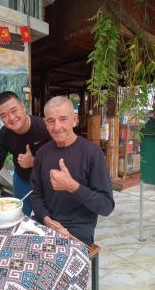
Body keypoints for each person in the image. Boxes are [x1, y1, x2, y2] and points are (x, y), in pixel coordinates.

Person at [30, 96, 115, 245]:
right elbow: (35, 194)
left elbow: (106, 206)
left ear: (74, 119)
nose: (57, 127)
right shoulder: (42, 153)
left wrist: (72, 186)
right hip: (46, 222)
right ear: (45, 124)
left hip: (77, 229)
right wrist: (46, 219)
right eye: (51, 121)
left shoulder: (92, 153)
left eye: (63, 119)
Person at [0, 91, 51, 216]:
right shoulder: (2, 135)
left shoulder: (44, 127)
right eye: (4, 115)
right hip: (22, 180)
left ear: (23, 107)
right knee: (19, 215)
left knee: (47, 218)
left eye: (14, 110)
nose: (11, 117)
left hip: (47, 181)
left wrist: (34, 162)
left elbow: (62, 159)